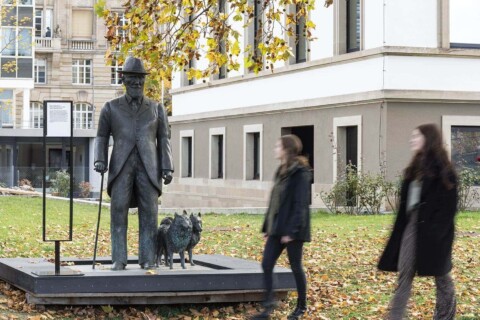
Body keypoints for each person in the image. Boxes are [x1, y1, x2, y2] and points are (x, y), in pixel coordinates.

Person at [94, 56, 173, 271]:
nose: (137, 82)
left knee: (150, 213)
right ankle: (118, 259)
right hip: (121, 166)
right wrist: (100, 159)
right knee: (118, 212)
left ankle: (147, 258)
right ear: (124, 80)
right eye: (132, 78)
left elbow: (164, 138)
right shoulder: (110, 108)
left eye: (140, 78)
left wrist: (167, 166)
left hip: (149, 167)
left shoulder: (157, 109)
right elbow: (101, 136)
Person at [378, 123, 457, 319]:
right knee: (405, 274)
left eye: (416, 136)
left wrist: (437, 235)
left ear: (428, 139)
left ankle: (445, 316)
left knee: (441, 277)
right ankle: (395, 316)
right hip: (411, 228)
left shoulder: (445, 172)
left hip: (435, 233)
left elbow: (448, 210)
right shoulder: (413, 170)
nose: (412, 140)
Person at [252, 134, 312, 320]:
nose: (275, 149)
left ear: (287, 149)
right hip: (278, 227)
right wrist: (269, 227)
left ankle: (301, 307)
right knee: (267, 263)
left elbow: (301, 204)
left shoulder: (301, 172)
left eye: (278, 146)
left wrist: (292, 232)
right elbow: (275, 202)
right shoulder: (281, 170)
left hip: (294, 228)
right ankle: (268, 307)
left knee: (295, 266)